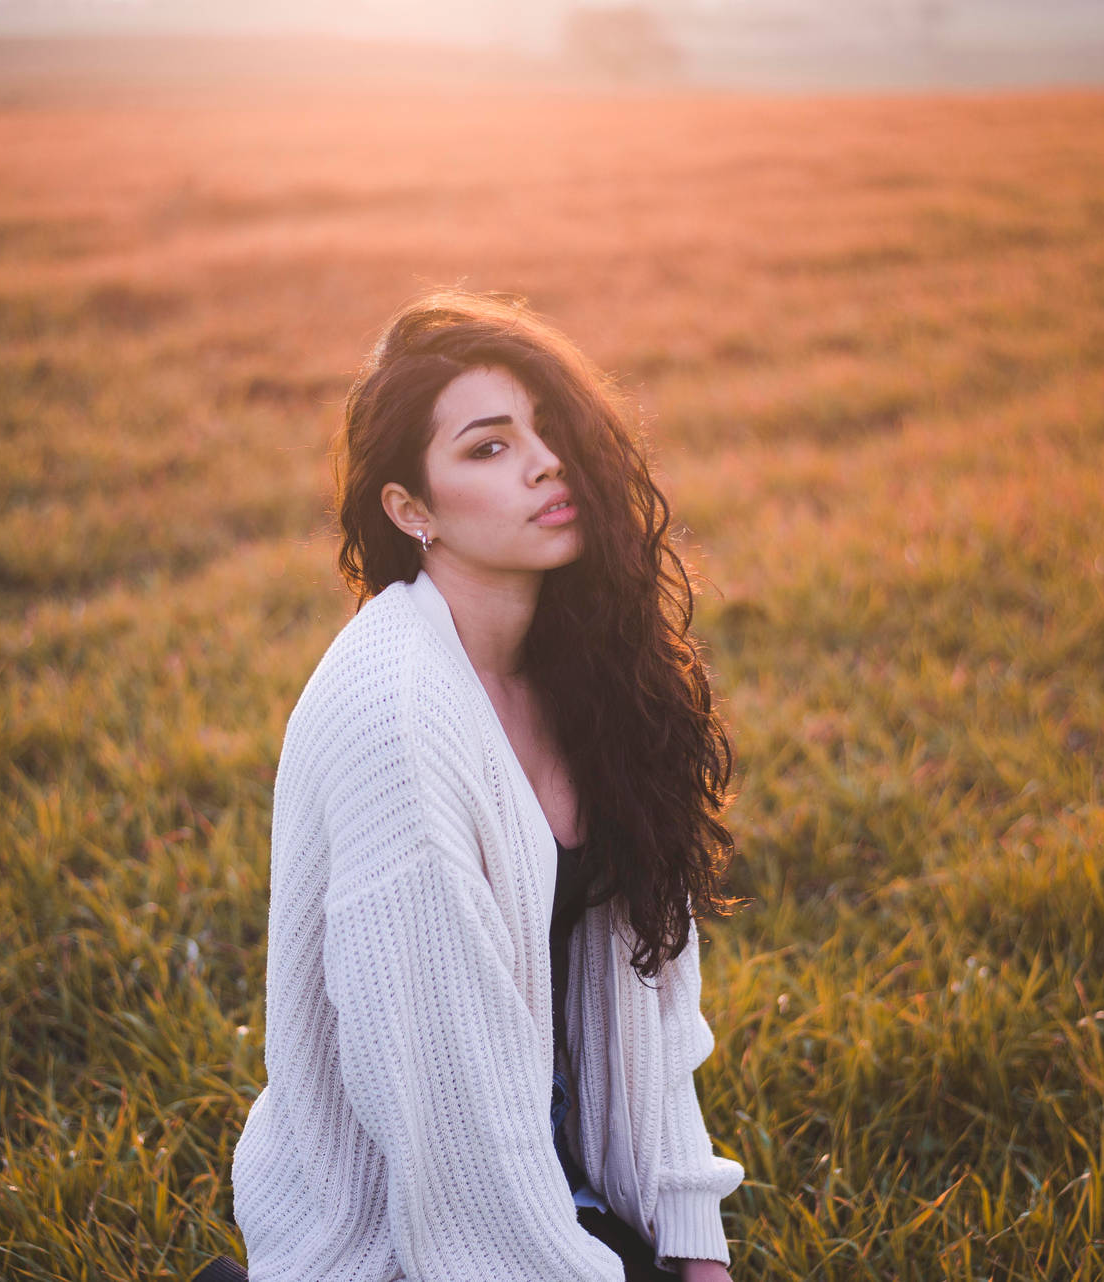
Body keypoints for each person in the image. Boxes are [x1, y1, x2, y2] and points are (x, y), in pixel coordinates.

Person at [211, 289, 744, 1282]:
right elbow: (448, 1131)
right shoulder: (399, 725)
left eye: (550, 430)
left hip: (556, 1184)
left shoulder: (585, 671)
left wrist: (693, 1247)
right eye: (488, 448)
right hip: (420, 1234)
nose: (545, 461)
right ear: (411, 510)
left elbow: (654, 999)